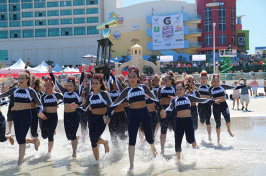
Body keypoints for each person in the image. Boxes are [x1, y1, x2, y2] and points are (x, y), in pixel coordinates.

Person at [103, 67, 166, 173]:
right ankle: (131, 165)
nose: (132, 78)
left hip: (145, 114)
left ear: (137, 77)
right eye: (130, 77)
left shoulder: (143, 87)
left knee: (150, 138)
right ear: (128, 78)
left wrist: (161, 109)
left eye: (134, 76)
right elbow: (116, 103)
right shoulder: (127, 90)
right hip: (133, 116)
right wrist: (107, 113)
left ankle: (153, 149)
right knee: (132, 140)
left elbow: (154, 98)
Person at [0, 71, 43, 168]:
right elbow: (3, 95)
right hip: (16, 115)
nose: (20, 80)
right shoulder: (15, 89)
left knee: (21, 139)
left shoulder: (31, 91)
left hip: (26, 116)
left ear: (27, 79)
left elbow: (39, 103)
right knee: (19, 139)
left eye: (22, 78)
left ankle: (19, 163)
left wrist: (40, 111)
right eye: (19, 78)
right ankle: (33, 140)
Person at [165, 81, 216, 161]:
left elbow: (200, 100)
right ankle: (178, 160)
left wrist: (212, 101)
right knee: (177, 141)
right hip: (178, 122)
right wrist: (164, 111)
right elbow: (170, 108)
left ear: (184, 89)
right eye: (177, 89)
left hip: (188, 121)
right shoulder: (174, 100)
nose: (178, 91)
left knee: (190, 140)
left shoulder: (188, 97)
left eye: (180, 89)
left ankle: (195, 150)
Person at [72, 73, 112, 164]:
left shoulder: (104, 94)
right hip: (92, 119)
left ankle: (105, 142)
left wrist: (108, 116)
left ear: (101, 84)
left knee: (94, 138)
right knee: (92, 142)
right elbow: (84, 109)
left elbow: (111, 106)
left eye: (96, 83)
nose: (94, 85)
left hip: (102, 119)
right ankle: (97, 161)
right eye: (93, 83)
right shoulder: (90, 95)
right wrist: (76, 108)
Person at [49, 65, 85, 158]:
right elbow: (56, 83)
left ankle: (74, 153)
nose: (69, 87)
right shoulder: (64, 92)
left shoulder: (77, 93)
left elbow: (81, 83)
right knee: (69, 136)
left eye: (71, 86)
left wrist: (83, 72)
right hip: (66, 116)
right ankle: (76, 139)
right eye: (68, 86)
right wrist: (50, 72)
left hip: (75, 115)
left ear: (74, 86)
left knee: (72, 134)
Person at [210, 75, 247, 144]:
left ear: (219, 81)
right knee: (218, 124)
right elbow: (209, 99)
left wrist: (244, 85)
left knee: (228, 117)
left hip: (224, 105)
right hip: (216, 106)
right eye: (214, 81)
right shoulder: (210, 89)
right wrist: (212, 102)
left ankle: (229, 130)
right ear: (212, 82)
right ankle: (218, 139)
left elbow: (234, 87)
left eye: (217, 81)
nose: (216, 83)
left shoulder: (222, 87)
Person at [39, 77, 63, 155]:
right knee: (44, 136)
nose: (47, 87)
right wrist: (42, 115)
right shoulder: (43, 96)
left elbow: (66, 99)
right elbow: (40, 107)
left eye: (49, 85)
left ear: (52, 86)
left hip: (53, 116)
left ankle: (49, 152)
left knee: (50, 135)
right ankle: (52, 130)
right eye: (45, 85)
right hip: (45, 116)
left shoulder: (57, 95)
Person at [157, 72, 176, 155]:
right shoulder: (160, 89)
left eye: (166, 79)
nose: (164, 81)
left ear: (171, 80)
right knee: (163, 130)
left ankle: (177, 148)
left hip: (173, 111)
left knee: (176, 130)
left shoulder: (175, 88)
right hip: (163, 111)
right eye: (163, 79)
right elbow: (157, 100)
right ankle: (162, 150)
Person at [196, 70, 212, 142]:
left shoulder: (209, 87)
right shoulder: (198, 86)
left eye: (205, 78)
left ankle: (209, 136)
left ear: (207, 79)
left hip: (207, 105)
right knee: (202, 121)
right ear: (200, 79)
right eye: (202, 78)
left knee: (208, 121)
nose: (203, 80)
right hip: (200, 105)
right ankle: (202, 121)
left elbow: (212, 96)